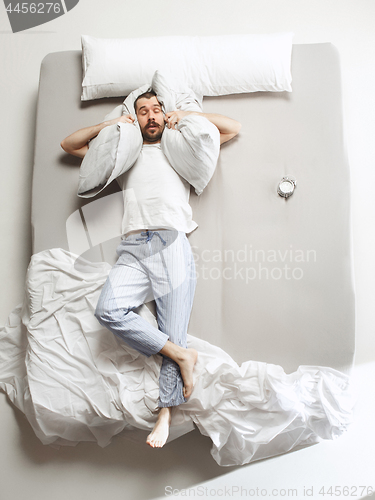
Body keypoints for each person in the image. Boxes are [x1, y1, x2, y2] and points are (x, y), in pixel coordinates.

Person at [61, 90, 241, 448]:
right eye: (143, 111)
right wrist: (114, 123)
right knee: (108, 309)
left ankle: (166, 412)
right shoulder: (123, 156)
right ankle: (180, 354)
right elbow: (69, 144)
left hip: (171, 242)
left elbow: (232, 128)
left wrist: (181, 116)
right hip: (132, 246)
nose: (151, 116)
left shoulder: (181, 150)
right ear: (136, 119)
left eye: (156, 109)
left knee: (172, 328)